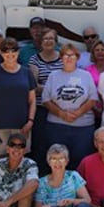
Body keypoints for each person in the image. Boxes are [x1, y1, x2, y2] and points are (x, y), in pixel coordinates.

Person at [42, 44, 98, 172]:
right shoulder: (53, 76)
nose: (68, 58)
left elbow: (93, 98)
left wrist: (78, 113)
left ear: (77, 57)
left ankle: (78, 190)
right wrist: (61, 114)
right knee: (57, 161)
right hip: (57, 126)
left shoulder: (86, 75)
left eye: (72, 54)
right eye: (65, 55)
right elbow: (46, 99)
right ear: (61, 57)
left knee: (81, 161)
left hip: (83, 128)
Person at [0, 37, 36, 158]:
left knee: (20, 164)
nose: (10, 54)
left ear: (18, 52)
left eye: (13, 50)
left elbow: (32, 100)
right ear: (1, 53)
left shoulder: (27, 72)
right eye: (6, 51)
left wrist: (30, 121)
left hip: (22, 128)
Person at [29, 28, 64, 167]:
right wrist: (54, 88)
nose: (48, 41)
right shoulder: (34, 59)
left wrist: (45, 88)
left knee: (57, 142)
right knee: (40, 143)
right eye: (45, 39)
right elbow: (33, 86)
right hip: (40, 108)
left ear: (56, 42)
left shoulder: (62, 58)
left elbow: (65, 82)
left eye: (51, 38)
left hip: (59, 108)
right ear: (41, 42)